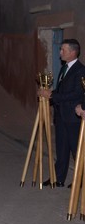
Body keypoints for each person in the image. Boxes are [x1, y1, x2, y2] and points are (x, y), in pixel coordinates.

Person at [39, 39, 85, 187]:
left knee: (75, 150)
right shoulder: (64, 68)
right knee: (61, 148)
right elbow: (62, 90)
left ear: (73, 52)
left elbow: (77, 94)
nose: (60, 53)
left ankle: (80, 181)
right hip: (61, 115)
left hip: (73, 117)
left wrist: (52, 96)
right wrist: (50, 92)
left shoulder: (80, 70)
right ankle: (58, 178)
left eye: (63, 50)